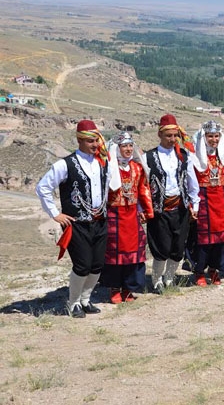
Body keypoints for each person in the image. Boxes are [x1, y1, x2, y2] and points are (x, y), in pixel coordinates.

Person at [36, 120, 109, 317]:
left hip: (100, 221)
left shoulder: (102, 162)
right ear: (79, 140)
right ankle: (73, 302)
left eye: (97, 141)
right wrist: (55, 213)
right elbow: (43, 187)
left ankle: (86, 300)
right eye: (91, 141)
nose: (95, 145)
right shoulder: (65, 164)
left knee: (97, 265)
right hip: (77, 224)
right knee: (82, 265)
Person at [144, 114, 200, 293]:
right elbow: (142, 185)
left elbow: (192, 182)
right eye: (168, 136)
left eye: (175, 135)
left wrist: (195, 204)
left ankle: (169, 277)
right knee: (161, 248)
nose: (172, 139)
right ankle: (156, 279)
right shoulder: (148, 157)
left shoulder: (184, 156)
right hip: (160, 210)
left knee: (177, 247)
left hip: (181, 208)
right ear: (159, 135)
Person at [100, 132, 154, 303]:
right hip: (114, 216)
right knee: (115, 254)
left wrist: (146, 210)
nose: (129, 149)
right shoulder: (107, 169)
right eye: (124, 146)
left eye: (131, 146)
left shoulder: (137, 168)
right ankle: (114, 288)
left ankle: (129, 288)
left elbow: (143, 190)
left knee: (133, 254)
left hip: (132, 216)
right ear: (117, 149)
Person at [191, 121, 224, 286]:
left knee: (220, 239)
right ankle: (199, 271)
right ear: (204, 137)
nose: (214, 139)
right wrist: (193, 204)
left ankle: (214, 269)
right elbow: (192, 181)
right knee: (204, 239)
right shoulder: (195, 157)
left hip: (221, 198)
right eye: (210, 136)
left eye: (216, 136)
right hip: (203, 198)